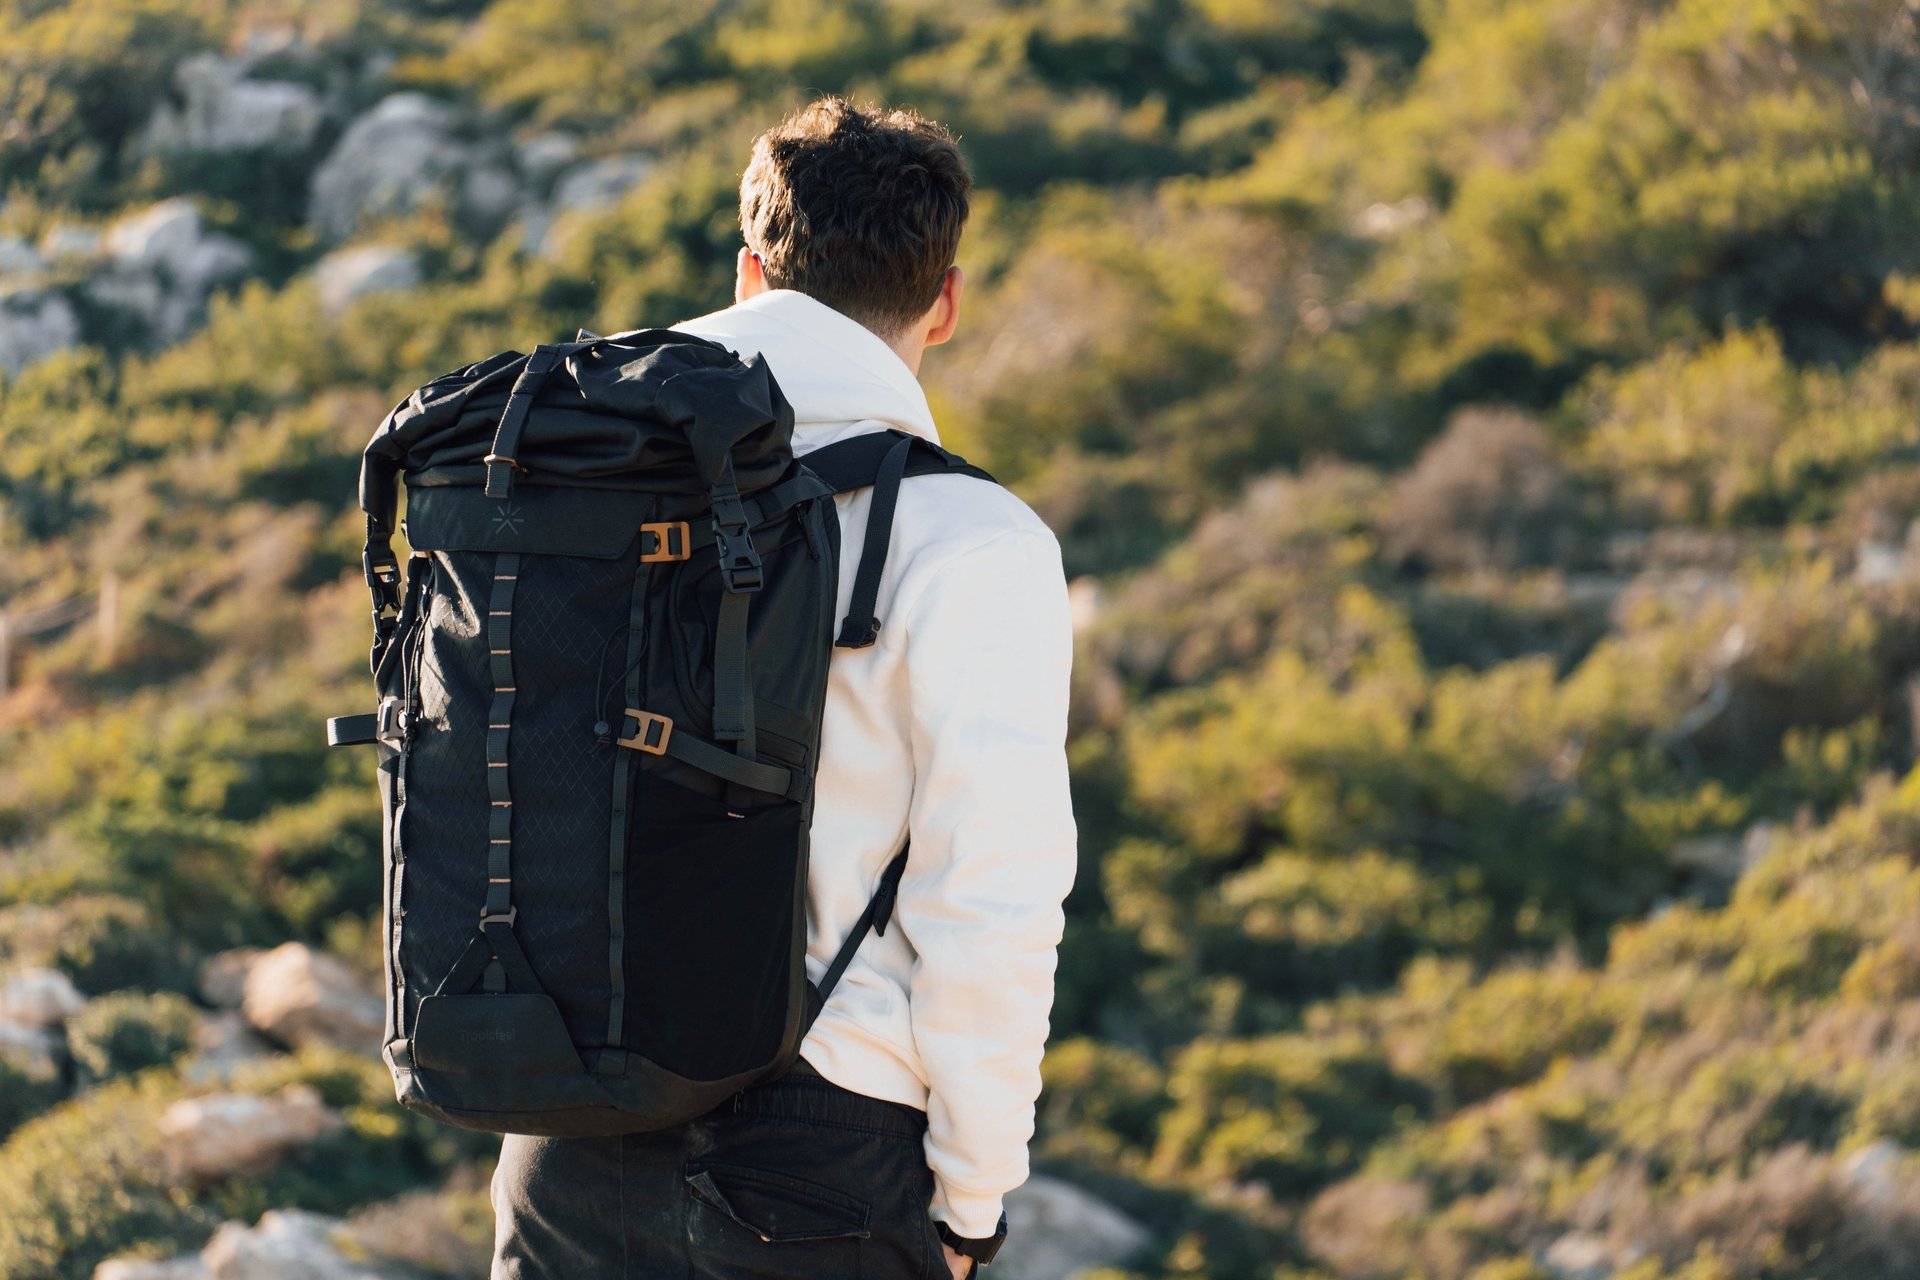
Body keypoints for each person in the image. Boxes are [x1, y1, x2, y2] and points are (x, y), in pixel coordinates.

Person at [489, 96, 1079, 1280]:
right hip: (815, 1157)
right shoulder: (973, 541)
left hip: (564, 1128)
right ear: (945, 301)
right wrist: (970, 1205)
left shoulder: (588, 476)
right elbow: (990, 906)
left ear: (751, 274)